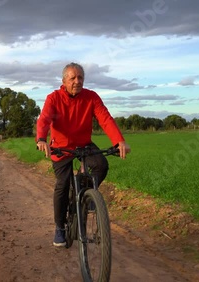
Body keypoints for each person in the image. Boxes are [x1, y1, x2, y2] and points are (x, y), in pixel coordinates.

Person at [36, 62, 131, 247]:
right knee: (62, 185)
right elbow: (44, 119)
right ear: (64, 81)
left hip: (84, 144)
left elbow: (105, 118)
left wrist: (118, 141)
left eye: (80, 77)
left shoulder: (91, 97)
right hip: (61, 147)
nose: (77, 81)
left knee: (101, 165)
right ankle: (60, 228)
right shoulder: (54, 98)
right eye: (72, 78)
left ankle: (85, 194)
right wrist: (41, 139)